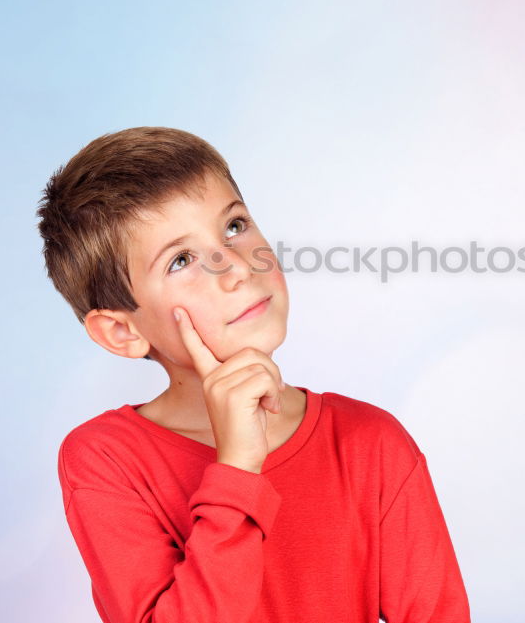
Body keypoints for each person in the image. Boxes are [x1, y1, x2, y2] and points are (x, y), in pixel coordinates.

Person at [36, 126, 470, 622]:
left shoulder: (372, 443)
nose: (236, 267)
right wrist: (238, 467)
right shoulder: (105, 461)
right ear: (122, 331)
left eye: (235, 226)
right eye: (182, 260)